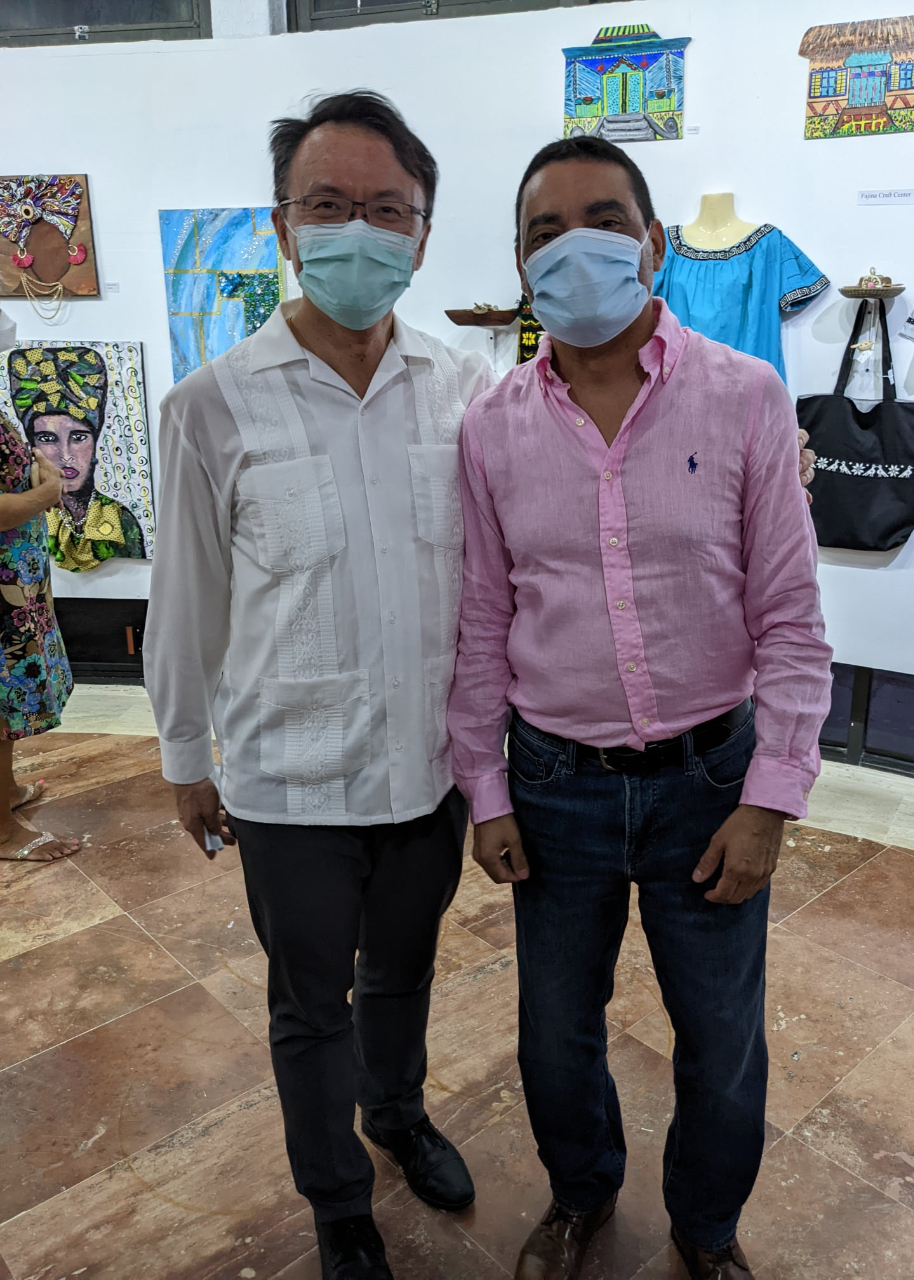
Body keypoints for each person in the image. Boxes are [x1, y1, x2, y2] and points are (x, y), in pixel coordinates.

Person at [448, 136, 834, 1280]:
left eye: (605, 221)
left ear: (654, 243)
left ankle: (706, 1229)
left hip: (709, 782)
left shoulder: (746, 395)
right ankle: (581, 1195)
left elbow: (790, 616)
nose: (576, 247)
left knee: (720, 1038)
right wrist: (485, 788)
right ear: (521, 262)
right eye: (544, 230)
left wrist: (771, 798)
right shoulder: (491, 427)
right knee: (555, 1033)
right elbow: (481, 619)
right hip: (552, 784)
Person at [143, 92, 497, 1280]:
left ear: (422, 234)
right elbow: (186, 599)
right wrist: (184, 758)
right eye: (329, 203)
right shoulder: (211, 405)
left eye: (387, 208)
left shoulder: (463, 390)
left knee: (403, 972)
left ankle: (396, 1113)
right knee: (309, 1005)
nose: (359, 229)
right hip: (289, 782)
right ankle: (338, 1197)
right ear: (283, 225)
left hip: (427, 771)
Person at [0, 311, 78, 862]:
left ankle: (4, 795)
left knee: (5, 704)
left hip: (15, 583)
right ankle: (1, 833)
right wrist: (46, 495)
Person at [8, 345, 145, 572]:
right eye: (47, 438)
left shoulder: (119, 518)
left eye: (78, 437)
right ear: (32, 446)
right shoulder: (25, 513)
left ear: (95, 440)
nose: (65, 455)